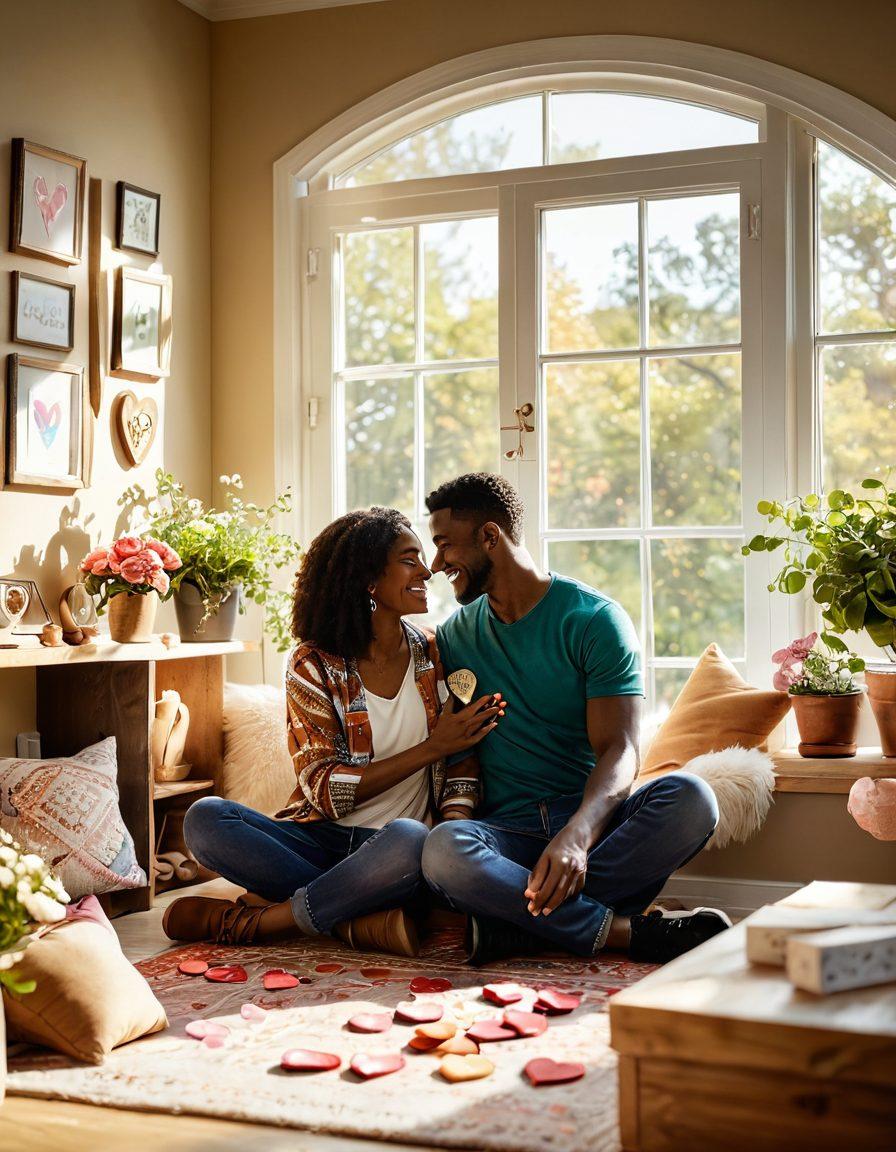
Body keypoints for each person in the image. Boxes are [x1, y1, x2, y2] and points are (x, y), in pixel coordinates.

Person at [420, 473, 731, 965]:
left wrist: (577, 837)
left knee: (693, 799)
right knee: (442, 850)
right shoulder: (456, 635)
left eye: (443, 546)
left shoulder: (593, 620)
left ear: (488, 537)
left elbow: (621, 750)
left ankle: (518, 929)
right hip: (507, 839)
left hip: (592, 824)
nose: (435, 565)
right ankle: (621, 933)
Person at [163, 507, 502, 956]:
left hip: (397, 851)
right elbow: (324, 790)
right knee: (205, 820)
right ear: (368, 580)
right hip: (316, 841)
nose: (427, 570)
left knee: (410, 837)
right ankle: (355, 919)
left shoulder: (436, 652)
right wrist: (429, 749)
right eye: (409, 559)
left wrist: (452, 832)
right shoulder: (313, 663)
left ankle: (269, 921)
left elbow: (461, 759)